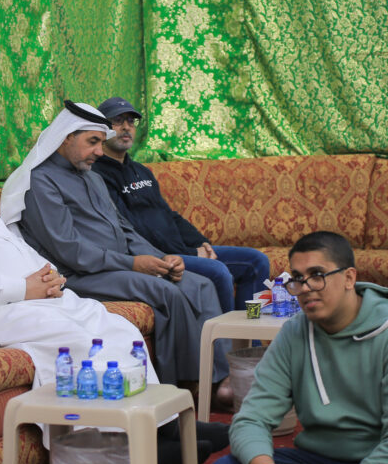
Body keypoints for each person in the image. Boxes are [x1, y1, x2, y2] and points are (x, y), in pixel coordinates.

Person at [0, 117, 222, 464]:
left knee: (116, 327)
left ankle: (162, 425)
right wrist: (24, 288)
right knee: (75, 339)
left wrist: (48, 276)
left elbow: (13, 245)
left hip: (17, 301)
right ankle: (117, 445)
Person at [1, 100, 229, 389]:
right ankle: (189, 384)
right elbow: (69, 250)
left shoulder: (93, 178)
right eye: (93, 142)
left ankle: (221, 377)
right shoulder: (40, 182)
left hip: (115, 268)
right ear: (66, 137)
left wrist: (162, 258)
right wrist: (133, 264)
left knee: (200, 284)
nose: (100, 151)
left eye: (101, 142)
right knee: (165, 291)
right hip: (77, 276)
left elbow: (125, 230)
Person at [208, 231, 388, 464]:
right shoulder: (293, 334)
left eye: (317, 275)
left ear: (349, 278)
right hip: (321, 462)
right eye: (298, 278)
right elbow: (251, 419)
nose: (305, 288)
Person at [93, 96, 271, 313]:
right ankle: (223, 333)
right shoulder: (97, 175)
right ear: (101, 128)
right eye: (117, 121)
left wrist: (201, 243)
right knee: (218, 271)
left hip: (182, 250)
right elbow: (129, 228)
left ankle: (250, 329)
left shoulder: (141, 171)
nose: (126, 127)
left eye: (131, 121)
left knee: (257, 261)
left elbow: (169, 215)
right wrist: (192, 253)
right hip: (156, 256)